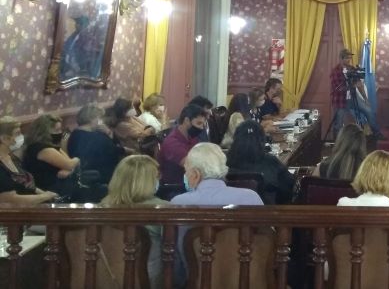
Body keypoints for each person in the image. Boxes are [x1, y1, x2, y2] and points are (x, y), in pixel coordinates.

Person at [171, 143, 263, 285]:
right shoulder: (251, 197)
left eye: (186, 171)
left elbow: (175, 257)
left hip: (197, 282)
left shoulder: (178, 203)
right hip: (248, 280)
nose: (185, 176)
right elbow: (266, 244)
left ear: (195, 174)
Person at [101, 155, 168, 288]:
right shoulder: (163, 209)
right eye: (156, 176)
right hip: (150, 281)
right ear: (146, 181)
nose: (159, 180)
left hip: (106, 280)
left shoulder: (102, 206)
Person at [226, 120, 295, 204]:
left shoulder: (225, 163)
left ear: (235, 140)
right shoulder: (270, 161)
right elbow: (288, 187)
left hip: (235, 209)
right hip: (267, 210)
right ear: (262, 140)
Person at [0, 117, 59, 205]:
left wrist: (48, 195)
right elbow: (11, 199)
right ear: (4, 139)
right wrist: (45, 196)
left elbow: (27, 185)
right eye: (17, 133)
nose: (21, 137)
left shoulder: (13, 158)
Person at [23, 113, 81, 197]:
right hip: (48, 189)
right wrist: (78, 159)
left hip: (56, 185)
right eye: (57, 130)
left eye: (60, 129)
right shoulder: (43, 149)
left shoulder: (49, 145)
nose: (60, 133)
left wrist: (70, 169)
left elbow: (68, 162)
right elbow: (70, 164)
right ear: (45, 132)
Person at [67, 104, 124, 184]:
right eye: (99, 118)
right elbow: (114, 150)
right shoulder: (96, 136)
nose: (101, 121)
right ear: (92, 119)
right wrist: (109, 134)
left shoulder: (75, 134)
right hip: (101, 176)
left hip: (87, 175)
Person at [158, 104, 207, 185]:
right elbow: (191, 164)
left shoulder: (191, 137)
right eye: (199, 123)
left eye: (203, 124)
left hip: (190, 182)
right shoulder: (172, 142)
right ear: (187, 121)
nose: (202, 128)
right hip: (174, 187)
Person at [330, 48, 359, 138]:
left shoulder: (352, 69)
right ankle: (337, 143)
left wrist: (357, 78)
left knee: (363, 114)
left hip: (352, 99)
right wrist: (352, 86)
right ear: (341, 59)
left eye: (350, 58)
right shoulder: (335, 71)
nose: (349, 60)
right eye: (347, 58)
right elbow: (339, 88)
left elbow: (357, 81)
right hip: (340, 101)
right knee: (338, 124)